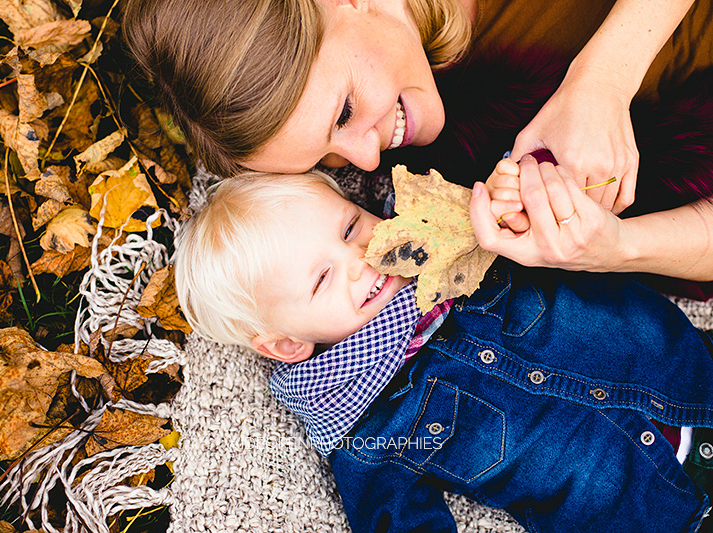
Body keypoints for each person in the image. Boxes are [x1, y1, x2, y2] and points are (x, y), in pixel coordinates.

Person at [174, 170, 713, 532]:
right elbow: (397, 518)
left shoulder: (457, 243)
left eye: (350, 227)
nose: (361, 258)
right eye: (322, 278)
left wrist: (508, 202)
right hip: (650, 508)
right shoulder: (364, 434)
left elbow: (534, 229)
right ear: (290, 343)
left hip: (687, 371)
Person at [122, 0, 713, 283]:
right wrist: (618, 248)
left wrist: (602, 80)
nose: (369, 156)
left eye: (345, 111)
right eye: (328, 158)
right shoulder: (456, 139)